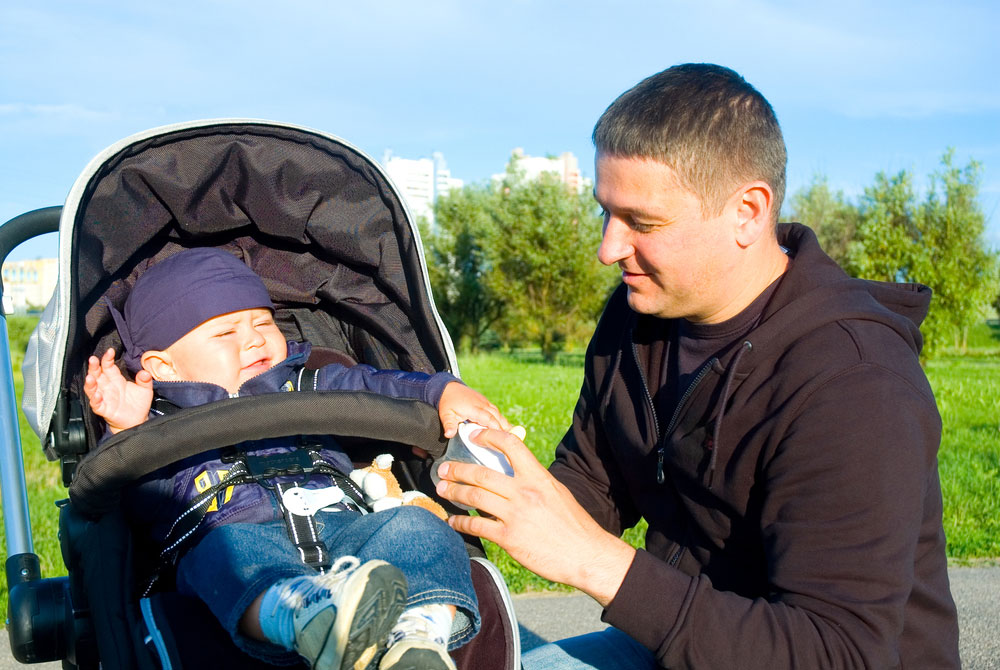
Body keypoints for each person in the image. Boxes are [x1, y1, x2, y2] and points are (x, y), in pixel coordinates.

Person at [434, 63, 960, 669]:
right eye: (605, 211)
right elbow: (591, 483)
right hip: (683, 640)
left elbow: (838, 653)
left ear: (747, 211)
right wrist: (454, 489)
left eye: (643, 222)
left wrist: (593, 561)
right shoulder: (638, 316)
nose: (609, 248)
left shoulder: (856, 386)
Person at [85, 247, 512, 670]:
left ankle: (417, 636)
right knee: (225, 552)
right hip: (243, 539)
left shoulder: (310, 382)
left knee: (416, 527)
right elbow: (137, 504)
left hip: (349, 528)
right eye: (225, 333)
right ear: (163, 366)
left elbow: (376, 386)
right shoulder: (158, 424)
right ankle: (306, 619)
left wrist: (437, 391)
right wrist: (126, 431)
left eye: (263, 322)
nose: (254, 337)